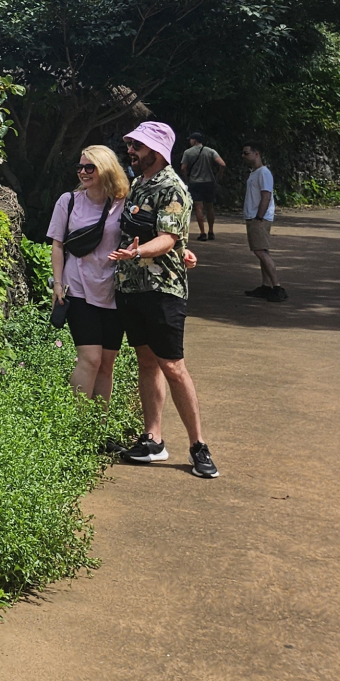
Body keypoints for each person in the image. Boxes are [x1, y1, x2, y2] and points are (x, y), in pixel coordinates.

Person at [110, 120, 218, 480]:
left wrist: (137, 253)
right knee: (146, 361)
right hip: (130, 288)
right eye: (131, 145)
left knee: (173, 366)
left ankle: (198, 445)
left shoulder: (172, 187)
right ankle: (153, 439)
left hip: (162, 290)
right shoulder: (138, 184)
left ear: (156, 151)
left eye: (137, 146)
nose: (131, 151)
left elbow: (168, 238)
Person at [48, 145, 130, 402]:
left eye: (89, 167)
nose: (83, 172)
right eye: (80, 167)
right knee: (91, 359)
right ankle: (80, 420)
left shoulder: (123, 203)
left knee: (107, 362)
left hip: (112, 289)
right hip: (78, 288)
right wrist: (58, 284)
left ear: (105, 169)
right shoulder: (68, 201)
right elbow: (57, 245)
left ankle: (99, 424)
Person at [242, 143, 285, 301]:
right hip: (254, 217)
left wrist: (259, 217)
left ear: (256, 153)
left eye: (246, 153)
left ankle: (277, 287)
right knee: (262, 252)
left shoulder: (263, 173)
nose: (244, 156)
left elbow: (266, 195)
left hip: (258, 218)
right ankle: (266, 286)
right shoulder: (254, 173)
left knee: (260, 252)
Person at [180, 132, 226, 241]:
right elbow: (222, 164)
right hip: (209, 182)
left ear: (194, 140)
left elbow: (183, 168)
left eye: (190, 139)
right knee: (210, 207)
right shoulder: (210, 151)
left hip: (195, 183)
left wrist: (186, 179)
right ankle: (211, 231)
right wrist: (218, 176)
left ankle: (202, 233)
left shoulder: (188, 152)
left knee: (199, 207)